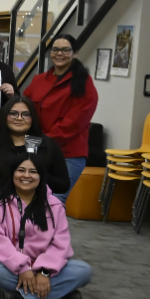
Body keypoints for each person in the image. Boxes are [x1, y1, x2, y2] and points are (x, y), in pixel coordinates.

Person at [0, 156, 91, 299]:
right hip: (8, 267)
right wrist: (22, 268)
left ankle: (18, 298)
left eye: (33, 171)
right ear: (12, 174)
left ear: (41, 176)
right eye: (21, 170)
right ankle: (57, 297)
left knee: (83, 271)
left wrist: (44, 272)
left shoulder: (54, 205)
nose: (26, 176)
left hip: (44, 269)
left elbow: (61, 243)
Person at [24, 34, 99, 203]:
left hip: (69, 154)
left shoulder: (84, 83)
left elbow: (73, 122)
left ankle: (53, 231)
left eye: (66, 50)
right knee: (32, 200)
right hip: (38, 150)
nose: (60, 53)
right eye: (56, 49)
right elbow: (25, 109)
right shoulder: (38, 80)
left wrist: (42, 141)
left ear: (75, 53)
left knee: (54, 202)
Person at [0, 96, 70, 197]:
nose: (19, 118)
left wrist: (35, 177)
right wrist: (12, 180)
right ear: (4, 115)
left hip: (37, 207)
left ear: (33, 118)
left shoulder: (48, 144)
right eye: (13, 113)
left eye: (26, 114)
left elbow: (63, 185)